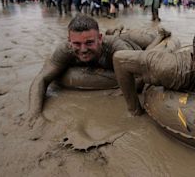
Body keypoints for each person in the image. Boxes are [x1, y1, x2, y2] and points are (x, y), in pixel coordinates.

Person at [26, 14, 171, 126]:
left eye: (89, 42)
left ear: (100, 38)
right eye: (77, 43)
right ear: (69, 41)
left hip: (133, 47)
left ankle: (158, 37)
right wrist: (34, 115)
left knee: (149, 52)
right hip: (106, 68)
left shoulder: (116, 48)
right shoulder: (65, 49)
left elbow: (139, 79)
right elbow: (41, 79)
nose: (83, 50)